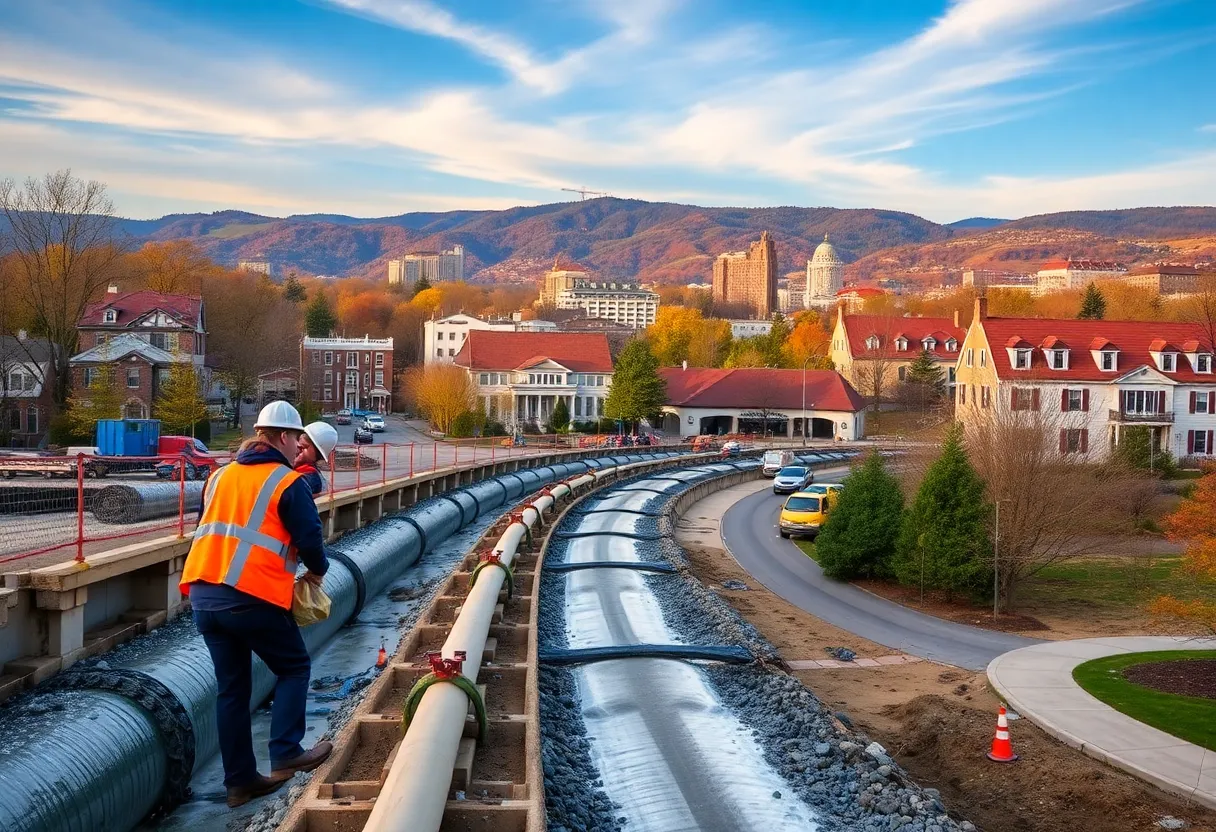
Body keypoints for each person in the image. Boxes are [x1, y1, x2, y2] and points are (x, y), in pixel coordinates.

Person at [180, 400, 333, 807]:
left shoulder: (219, 475)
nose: (298, 447)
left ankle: (240, 782)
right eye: (297, 439)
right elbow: (310, 539)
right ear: (283, 437)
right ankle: (286, 751)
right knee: (294, 667)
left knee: (232, 689)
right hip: (252, 595)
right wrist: (318, 572)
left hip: (204, 596)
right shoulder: (287, 482)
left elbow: (209, 527)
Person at [295, 421, 338, 496]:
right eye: (297, 443)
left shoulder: (310, 478)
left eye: (304, 447)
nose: (296, 450)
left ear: (318, 455)